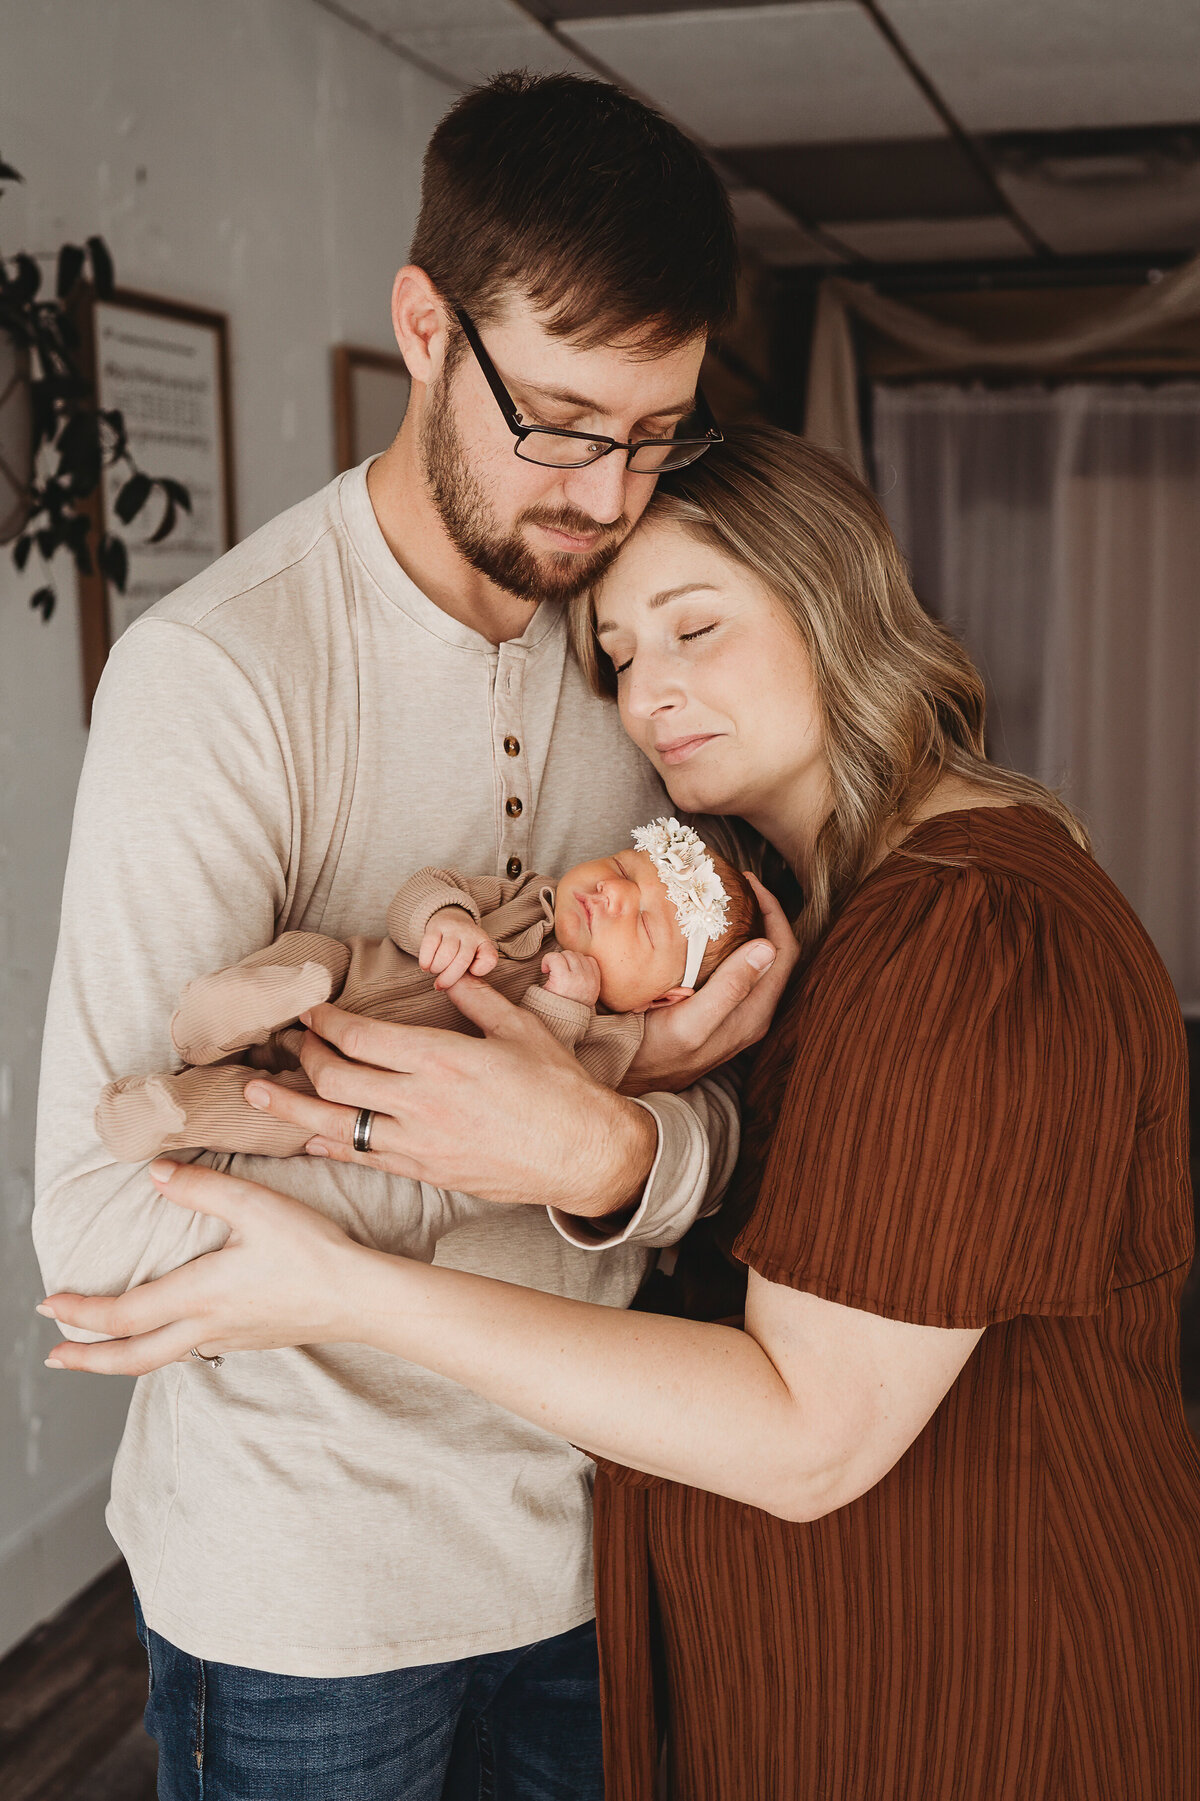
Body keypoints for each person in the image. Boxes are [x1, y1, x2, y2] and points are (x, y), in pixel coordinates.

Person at [43, 427, 1200, 1801]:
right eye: (618, 657)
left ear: (833, 602)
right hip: (835, 1686)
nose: (650, 695)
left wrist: (344, 1288)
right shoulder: (812, 929)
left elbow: (807, 1432)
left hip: (980, 1699)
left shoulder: (966, 927)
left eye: (695, 627)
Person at [32, 76, 797, 1801]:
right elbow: (93, 1222)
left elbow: (722, 1130)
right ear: (425, 328)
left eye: (657, 432)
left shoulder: (642, 672)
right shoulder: (217, 684)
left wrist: (622, 1144)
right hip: (301, 1601)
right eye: (566, 420)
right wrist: (509, 1142)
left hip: (588, 1550)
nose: (609, 497)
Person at [95, 828, 763, 1180]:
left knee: (286, 1115)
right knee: (313, 960)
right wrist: (443, 918)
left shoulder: (615, 1045)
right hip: (349, 978)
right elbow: (425, 886)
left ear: (668, 996)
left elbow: (544, 1099)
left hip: (367, 1095)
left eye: (643, 924)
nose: (615, 896)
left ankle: (173, 1113)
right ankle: (209, 1022)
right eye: (622, 868)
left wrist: (564, 1009)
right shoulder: (532, 896)